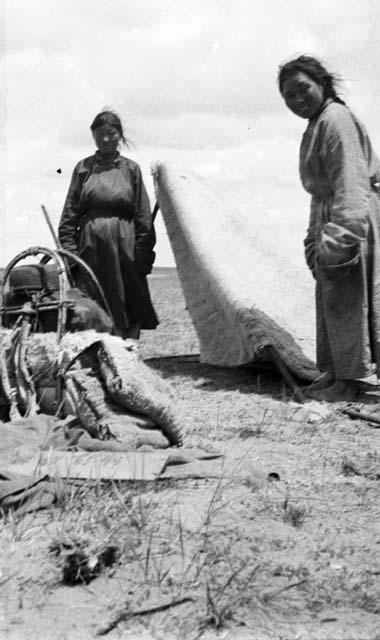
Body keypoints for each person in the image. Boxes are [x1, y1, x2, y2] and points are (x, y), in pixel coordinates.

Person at [278, 55, 380, 401]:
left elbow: (351, 182)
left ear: (322, 83)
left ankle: (348, 382)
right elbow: (319, 190)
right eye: (288, 95)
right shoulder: (316, 124)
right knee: (333, 300)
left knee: (349, 299)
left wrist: (342, 236)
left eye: (303, 88)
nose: (296, 99)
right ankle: (336, 371)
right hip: (329, 214)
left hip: (352, 216)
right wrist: (313, 237)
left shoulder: (336, 119)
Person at [58, 110, 158, 340]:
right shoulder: (83, 168)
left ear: (119, 135)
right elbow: (69, 215)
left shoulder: (131, 169)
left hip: (125, 246)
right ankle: (99, 349)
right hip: (91, 247)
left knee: (130, 298)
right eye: (99, 134)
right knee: (93, 299)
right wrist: (72, 256)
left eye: (111, 134)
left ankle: (128, 351)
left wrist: (142, 254)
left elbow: (143, 215)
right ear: (93, 135)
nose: (105, 139)